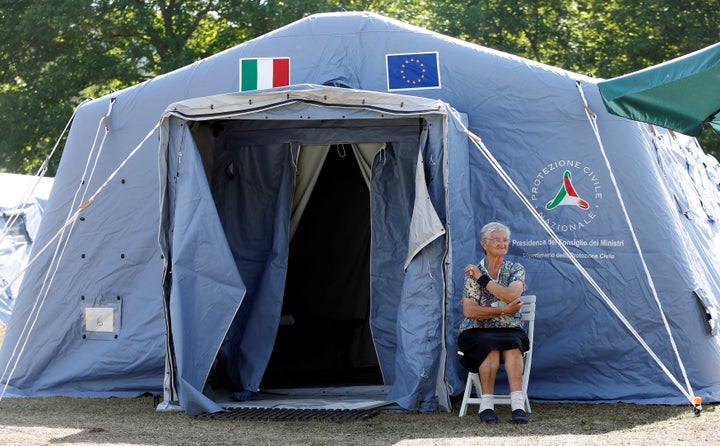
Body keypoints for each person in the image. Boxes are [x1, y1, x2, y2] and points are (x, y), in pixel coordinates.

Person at [457, 221, 529, 424]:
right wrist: (504, 310)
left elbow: (512, 294)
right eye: (496, 240)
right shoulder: (472, 271)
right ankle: (486, 405)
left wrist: (482, 280)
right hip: (476, 331)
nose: (502, 243)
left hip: (510, 329)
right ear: (484, 244)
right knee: (489, 347)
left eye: (505, 240)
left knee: (514, 346)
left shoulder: (515, 268)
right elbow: (469, 311)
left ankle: (518, 405)